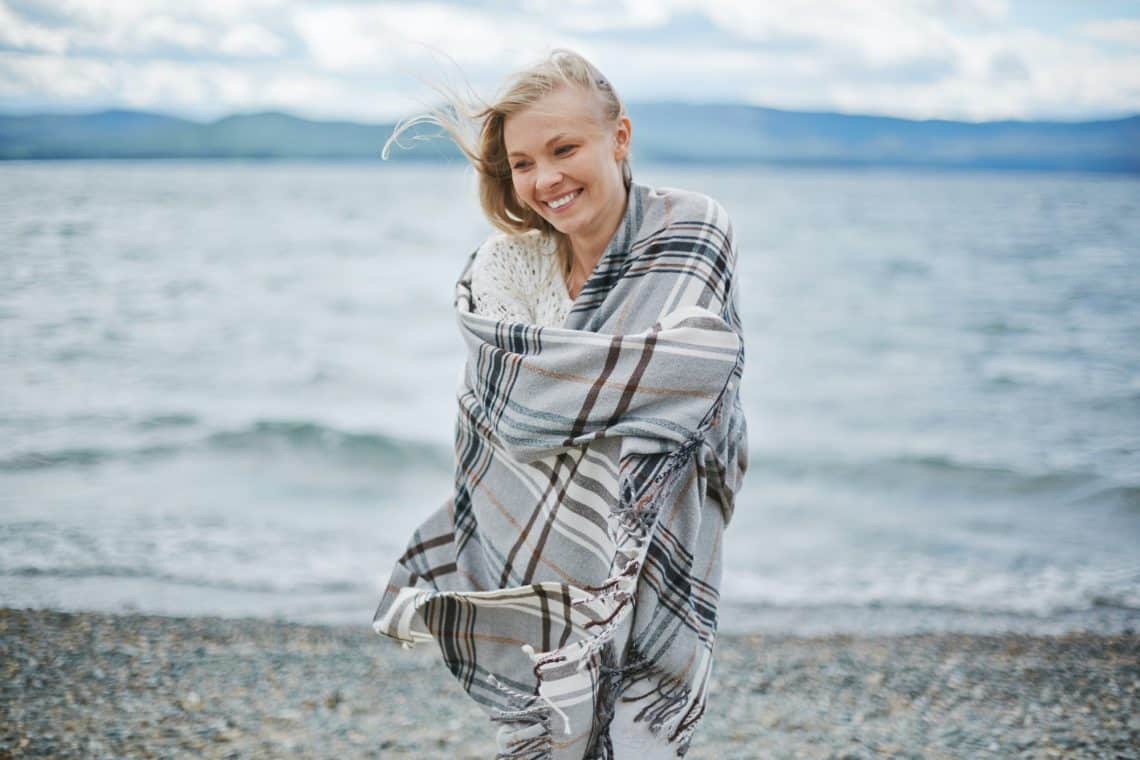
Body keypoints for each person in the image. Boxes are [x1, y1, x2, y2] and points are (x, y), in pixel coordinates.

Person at [373, 49, 748, 759]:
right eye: (522, 163)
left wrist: (575, 393)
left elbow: (697, 373)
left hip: (658, 535)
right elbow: (502, 413)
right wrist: (608, 394)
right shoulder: (505, 264)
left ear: (620, 138)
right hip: (534, 551)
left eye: (564, 148)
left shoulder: (692, 230)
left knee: (642, 734)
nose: (544, 179)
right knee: (551, 732)